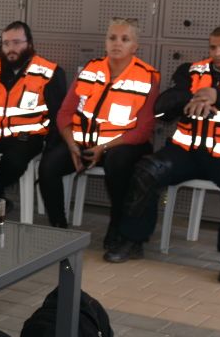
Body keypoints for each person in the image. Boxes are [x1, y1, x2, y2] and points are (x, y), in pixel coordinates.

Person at [116, 24, 220, 282]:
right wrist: (192, 97)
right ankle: (132, 240)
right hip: (188, 152)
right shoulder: (192, 71)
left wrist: (219, 97)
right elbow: (161, 111)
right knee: (146, 171)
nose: (217, 53)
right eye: (213, 47)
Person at [37, 18, 159, 250]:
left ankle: (117, 227)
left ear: (135, 46)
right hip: (83, 143)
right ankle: (58, 227)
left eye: (125, 39)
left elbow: (143, 130)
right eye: (112, 38)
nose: (117, 43)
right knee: (48, 166)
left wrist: (103, 148)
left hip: (122, 146)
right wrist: (72, 145)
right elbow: (64, 113)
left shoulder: (147, 76)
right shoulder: (90, 70)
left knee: (118, 164)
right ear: (105, 42)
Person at [0, 21, 65, 206]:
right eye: (6, 43)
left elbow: (58, 118)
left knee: (14, 161)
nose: (11, 48)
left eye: (17, 42)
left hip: (26, 138)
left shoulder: (49, 72)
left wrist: (50, 151)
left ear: (30, 44)